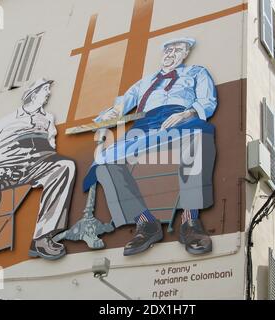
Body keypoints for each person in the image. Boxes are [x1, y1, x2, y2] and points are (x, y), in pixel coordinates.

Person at [83, 38, 218, 256]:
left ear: (185, 54)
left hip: (178, 119)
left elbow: (207, 101)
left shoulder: (196, 72)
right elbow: (121, 106)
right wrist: (108, 115)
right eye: (168, 49)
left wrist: (186, 113)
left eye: (177, 50)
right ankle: (145, 223)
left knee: (200, 135)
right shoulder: (144, 82)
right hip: (144, 125)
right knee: (103, 161)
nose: (170, 53)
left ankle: (189, 220)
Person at [0, 79, 76, 283]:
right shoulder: (6, 121)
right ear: (33, 93)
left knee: (65, 166)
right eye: (45, 90)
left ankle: (42, 238)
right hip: (8, 163)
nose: (48, 94)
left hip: (38, 161)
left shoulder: (47, 119)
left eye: (48, 90)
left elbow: (51, 143)